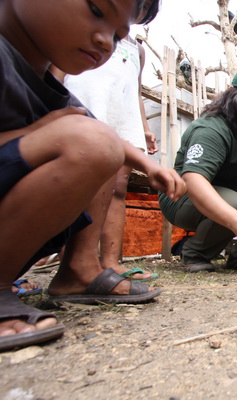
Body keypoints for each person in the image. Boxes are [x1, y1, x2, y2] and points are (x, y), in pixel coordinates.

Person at [0, 0, 185, 352]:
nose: (105, 42)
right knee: (90, 140)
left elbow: (105, 138)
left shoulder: (46, 86)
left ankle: (78, 272)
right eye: (97, 10)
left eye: (118, 36)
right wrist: (40, 134)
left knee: (100, 143)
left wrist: (150, 165)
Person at [51, 0, 160, 282]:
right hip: (85, 103)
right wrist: (50, 98)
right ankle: (70, 260)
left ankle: (112, 261)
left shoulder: (136, 47)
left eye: (146, 4)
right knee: (78, 182)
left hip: (121, 114)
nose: (140, 6)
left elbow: (135, 91)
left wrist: (145, 128)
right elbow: (59, 66)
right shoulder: (88, 23)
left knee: (118, 187)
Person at [159, 65, 237, 273]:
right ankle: (194, 253)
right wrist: (236, 221)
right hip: (182, 196)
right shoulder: (211, 128)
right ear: (234, 97)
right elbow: (194, 180)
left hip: (230, 192)